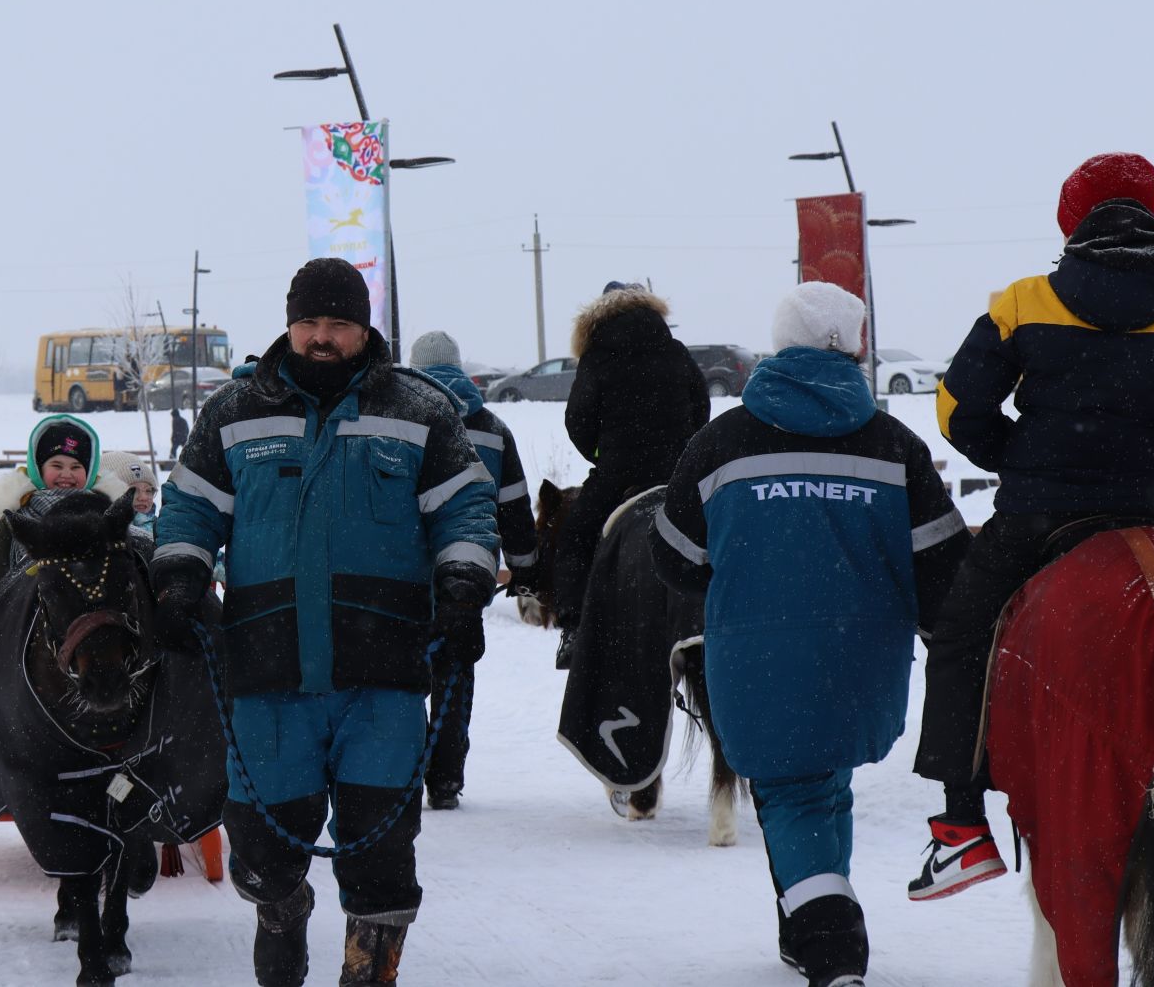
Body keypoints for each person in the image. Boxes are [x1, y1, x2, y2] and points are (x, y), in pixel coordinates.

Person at [910, 152, 1154, 902]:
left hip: (1038, 512)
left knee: (963, 635)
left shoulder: (1022, 301)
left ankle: (960, 828)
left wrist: (1022, 456)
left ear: (1071, 219)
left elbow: (955, 410)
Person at [151, 258, 499, 987]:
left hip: (384, 677)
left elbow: (466, 509)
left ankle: (367, 975)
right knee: (262, 855)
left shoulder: (419, 409)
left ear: (364, 326)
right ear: (289, 324)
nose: (321, 336)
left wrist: (463, 585)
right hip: (269, 673)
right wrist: (180, 572)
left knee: (382, 855)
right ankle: (282, 914)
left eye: (337, 323)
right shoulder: (235, 409)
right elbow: (187, 506)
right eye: (309, 322)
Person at [650, 282, 970, 987]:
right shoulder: (895, 445)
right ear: (856, 346)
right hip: (866, 656)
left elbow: (672, 557)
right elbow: (943, 565)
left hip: (757, 657)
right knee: (827, 780)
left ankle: (831, 944)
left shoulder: (720, 443)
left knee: (791, 791)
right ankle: (806, 924)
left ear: (779, 341)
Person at [407, 329, 540, 811]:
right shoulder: (492, 428)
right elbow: (514, 507)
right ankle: (445, 779)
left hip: (402, 573)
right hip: (468, 571)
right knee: (455, 671)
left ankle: (400, 773)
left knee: (398, 675)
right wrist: (524, 568)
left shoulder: (400, 416)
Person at [551, 281, 710, 667]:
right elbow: (701, 406)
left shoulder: (596, 354)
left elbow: (577, 421)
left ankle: (573, 629)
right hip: (675, 473)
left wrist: (601, 457)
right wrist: (683, 452)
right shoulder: (674, 350)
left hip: (618, 474)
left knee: (574, 536)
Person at [0, 414, 138, 590]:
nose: (67, 474)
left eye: (76, 467)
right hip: (30, 606)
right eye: (57, 466)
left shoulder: (106, 513)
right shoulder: (17, 516)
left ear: (89, 471)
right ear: (39, 469)